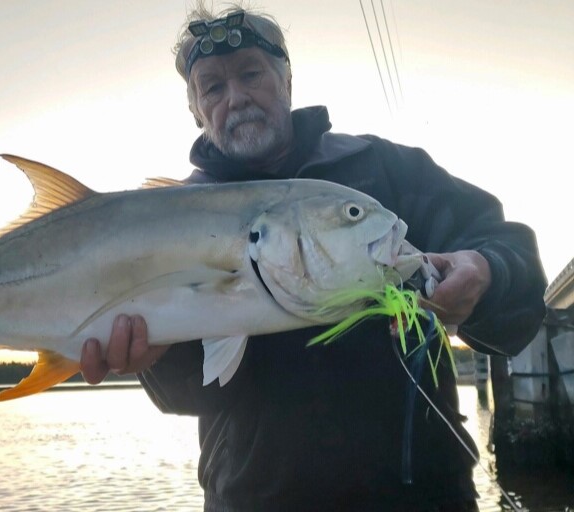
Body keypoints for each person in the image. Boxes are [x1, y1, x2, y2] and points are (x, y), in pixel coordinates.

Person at [80, 3, 548, 511]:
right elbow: (190, 395)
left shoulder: (384, 171)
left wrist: (488, 273)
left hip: (423, 495)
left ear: (285, 79)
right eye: (213, 87)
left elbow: (507, 255)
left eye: (251, 74)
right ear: (195, 109)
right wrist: (156, 357)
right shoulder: (166, 220)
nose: (236, 98)